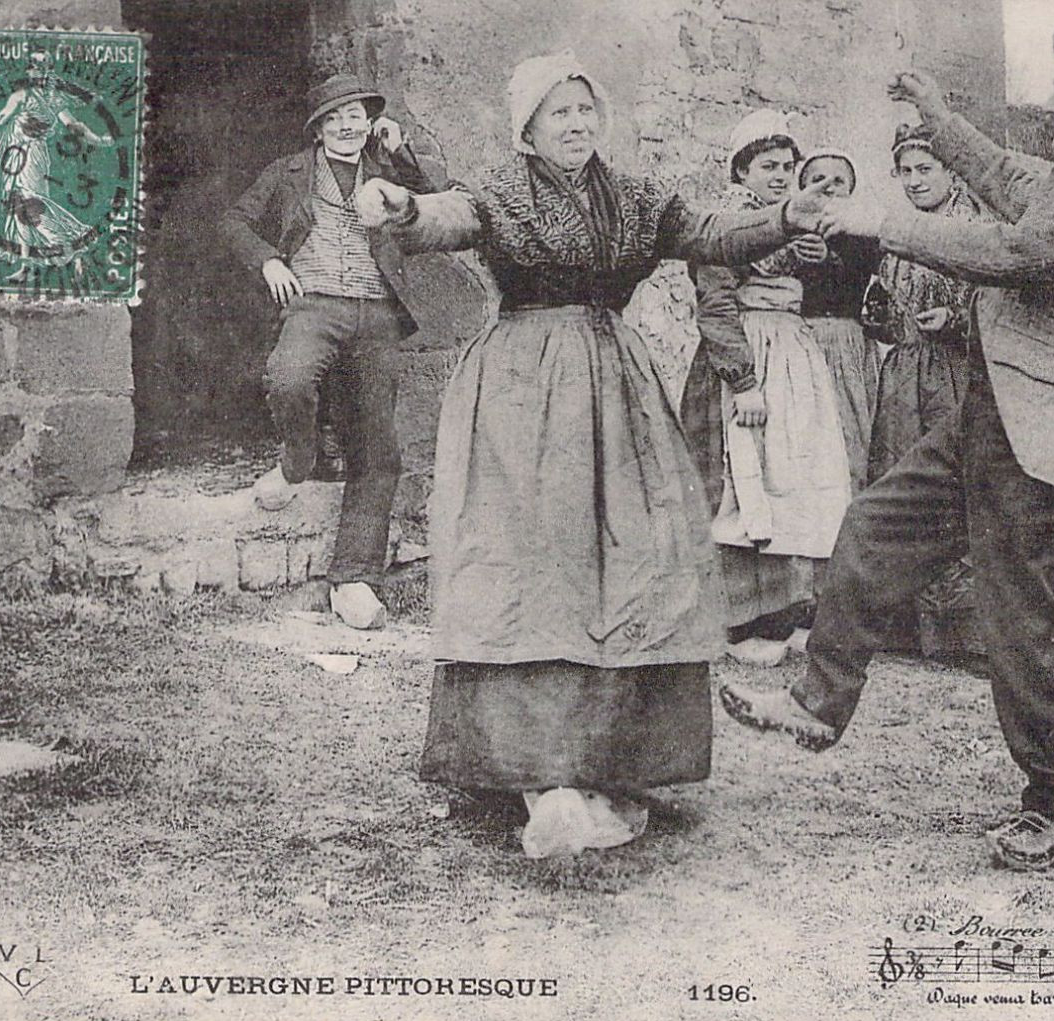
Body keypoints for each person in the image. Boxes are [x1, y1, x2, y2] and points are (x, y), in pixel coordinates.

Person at [720, 23, 1054, 872]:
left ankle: (1053, 801)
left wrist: (879, 222)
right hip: (988, 413)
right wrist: (935, 115)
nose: (1049, 99)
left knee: (1020, 621)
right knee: (874, 526)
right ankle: (820, 699)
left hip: (1041, 436)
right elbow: (1002, 176)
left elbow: (1013, 250)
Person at [354, 55, 826, 858]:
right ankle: (532, 766)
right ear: (527, 128)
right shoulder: (502, 192)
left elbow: (711, 233)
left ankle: (614, 761)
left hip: (618, 382)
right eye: (557, 112)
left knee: (631, 561)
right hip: (522, 392)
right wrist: (401, 207)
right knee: (536, 563)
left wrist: (788, 215)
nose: (575, 124)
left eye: (584, 110)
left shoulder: (639, 198)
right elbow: (449, 217)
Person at [221, 73, 443, 630]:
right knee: (289, 378)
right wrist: (269, 259)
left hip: (377, 312)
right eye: (336, 117)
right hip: (314, 304)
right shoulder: (289, 173)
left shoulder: (388, 168)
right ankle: (297, 460)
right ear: (318, 128)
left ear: (370, 124)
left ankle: (355, 581)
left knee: (379, 446)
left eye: (357, 116)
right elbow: (234, 221)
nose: (348, 126)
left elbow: (441, 201)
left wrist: (402, 151)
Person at [684, 111, 853, 668]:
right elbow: (716, 305)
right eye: (767, 167)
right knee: (739, 485)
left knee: (794, 482)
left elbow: (833, 294)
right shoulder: (725, 227)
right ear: (741, 172)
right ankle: (735, 621)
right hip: (745, 363)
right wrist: (744, 381)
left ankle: (788, 614)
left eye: (787, 167)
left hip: (794, 358)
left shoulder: (801, 226)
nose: (781, 176)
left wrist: (823, 263)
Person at [865, 123, 995, 657]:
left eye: (926, 169)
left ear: (949, 170)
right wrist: (881, 317)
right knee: (901, 484)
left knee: (961, 488)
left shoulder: (972, 228)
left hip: (958, 374)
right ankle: (904, 626)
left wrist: (958, 320)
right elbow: (887, 301)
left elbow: (1002, 306)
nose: (915, 181)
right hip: (904, 375)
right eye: (906, 171)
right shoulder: (899, 231)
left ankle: (969, 631)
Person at [0, 50, 114, 279]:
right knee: (17, 206)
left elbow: (75, 127)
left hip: (32, 157)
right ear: (28, 68)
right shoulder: (25, 95)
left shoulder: (50, 98)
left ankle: (73, 248)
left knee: (33, 205)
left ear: (48, 70)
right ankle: (28, 266)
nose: (38, 71)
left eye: (42, 67)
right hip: (15, 155)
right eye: (34, 66)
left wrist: (100, 140)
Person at [794, 149, 881, 494]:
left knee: (849, 425)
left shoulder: (861, 236)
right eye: (818, 180)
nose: (829, 188)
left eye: (838, 181)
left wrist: (831, 258)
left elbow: (866, 271)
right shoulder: (791, 231)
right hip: (803, 340)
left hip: (847, 343)